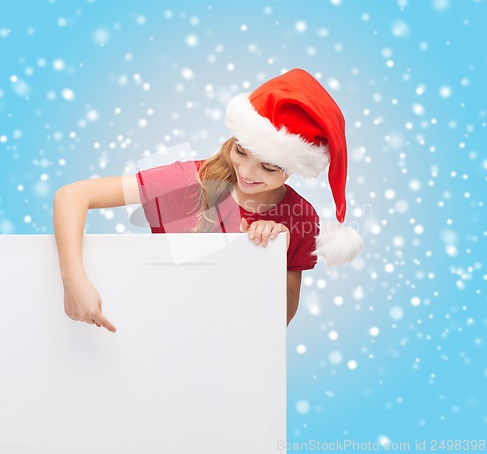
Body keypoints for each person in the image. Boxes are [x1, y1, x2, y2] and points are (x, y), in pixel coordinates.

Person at [53, 68, 363, 333]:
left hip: (224, 354)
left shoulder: (299, 217)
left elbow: (280, 318)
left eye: (268, 167)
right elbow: (72, 196)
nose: (246, 171)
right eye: (241, 151)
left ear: (293, 169)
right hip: (154, 327)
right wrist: (73, 279)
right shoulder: (187, 181)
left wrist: (268, 257)